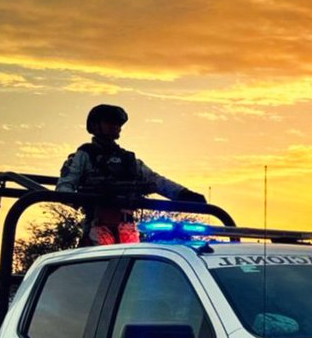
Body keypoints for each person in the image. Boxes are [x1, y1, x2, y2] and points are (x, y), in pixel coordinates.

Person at [56, 104, 207, 245]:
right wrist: (83, 200)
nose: (116, 127)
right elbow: (64, 188)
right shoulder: (84, 155)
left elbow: (155, 180)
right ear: (95, 126)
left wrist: (184, 195)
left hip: (127, 229)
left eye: (118, 123)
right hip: (97, 227)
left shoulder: (128, 159)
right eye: (110, 122)